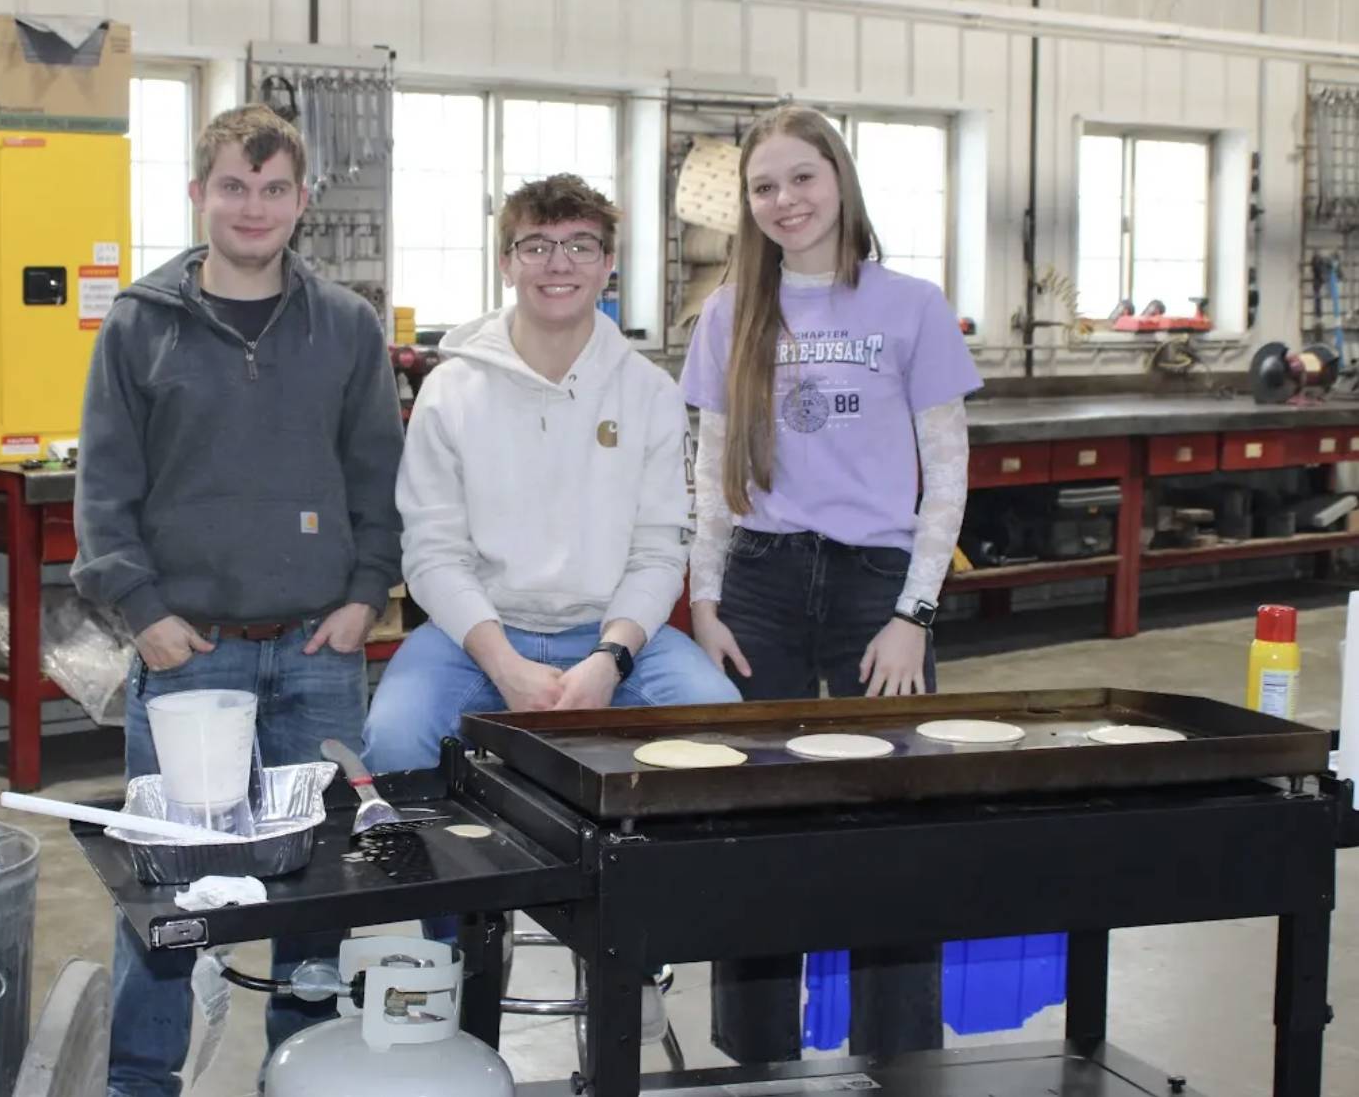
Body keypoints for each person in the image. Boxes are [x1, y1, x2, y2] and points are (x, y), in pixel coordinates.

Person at [72, 104, 404, 1097]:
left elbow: (377, 478)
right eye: (232, 185)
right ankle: (141, 1077)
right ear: (197, 193)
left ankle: (295, 1068)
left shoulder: (345, 326)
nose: (252, 206)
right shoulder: (139, 323)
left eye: (271, 189)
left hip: (317, 655)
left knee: (315, 889)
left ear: (301, 201)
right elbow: (105, 488)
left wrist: (363, 593)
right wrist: (141, 607)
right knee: (165, 886)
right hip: (187, 657)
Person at [679, 105, 982, 1064]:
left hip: (875, 589)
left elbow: (949, 472)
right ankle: (756, 1056)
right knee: (753, 818)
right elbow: (710, 469)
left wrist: (913, 615)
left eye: (801, 178)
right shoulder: (729, 312)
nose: (784, 201)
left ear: (839, 180)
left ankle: (896, 1057)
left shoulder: (912, 306)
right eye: (764, 188)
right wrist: (708, 600)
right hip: (762, 583)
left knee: (893, 819)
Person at [362, 173, 738, 775]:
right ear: (506, 264)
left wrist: (610, 658)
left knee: (720, 729)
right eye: (535, 245)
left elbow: (660, 551)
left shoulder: (649, 393)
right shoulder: (450, 391)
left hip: (611, 631)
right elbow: (433, 553)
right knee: (395, 740)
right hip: (478, 635)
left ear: (608, 263)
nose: (557, 263)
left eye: (580, 245)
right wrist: (505, 665)